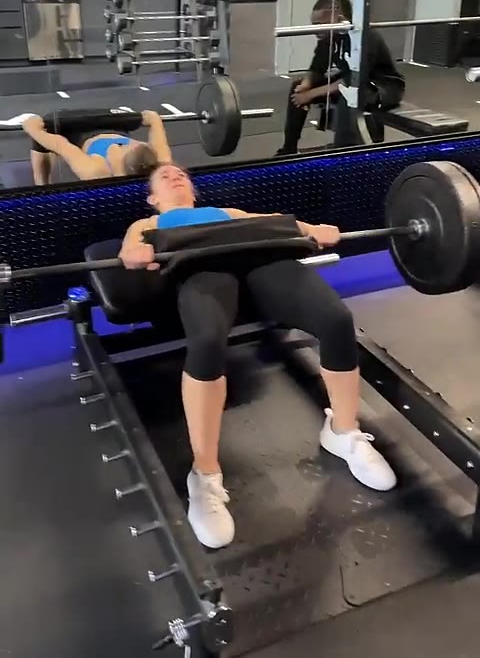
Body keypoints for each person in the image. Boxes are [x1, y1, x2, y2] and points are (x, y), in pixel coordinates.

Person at [119, 162, 397, 550]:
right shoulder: (148, 222)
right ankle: (204, 475)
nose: (175, 176)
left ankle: (343, 432)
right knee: (207, 341)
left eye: (181, 174)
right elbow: (129, 251)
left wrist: (313, 229)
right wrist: (135, 253)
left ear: (195, 192)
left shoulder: (227, 213)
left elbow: (274, 222)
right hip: (201, 266)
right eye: (164, 176)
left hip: (261, 259)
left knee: (336, 320)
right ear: (153, 198)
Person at [276, 0, 406, 155]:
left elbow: (352, 80)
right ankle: (289, 149)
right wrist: (305, 86)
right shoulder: (328, 38)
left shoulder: (365, 36)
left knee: (349, 95)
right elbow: (317, 68)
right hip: (354, 82)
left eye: (320, 24)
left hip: (383, 86)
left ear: (339, 19)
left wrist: (310, 95)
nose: (315, 30)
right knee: (297, 86)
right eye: (314, 24)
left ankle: (342, 152)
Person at [22, 110, 172, 184]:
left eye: (123, 148)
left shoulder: (96, 171)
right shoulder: (160, 164)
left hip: (82, 132)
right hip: (114, 126)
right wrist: (151, 118)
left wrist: (33, 129)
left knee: (46, 127)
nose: (120, 147)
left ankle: (42, 185)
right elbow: (155, 125)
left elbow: (61, 145)